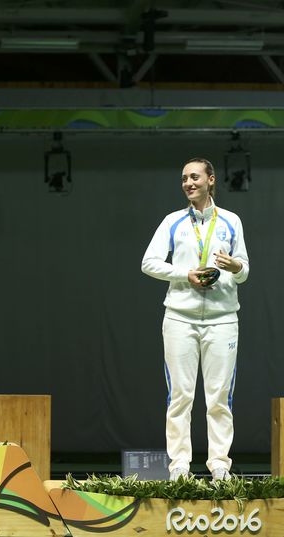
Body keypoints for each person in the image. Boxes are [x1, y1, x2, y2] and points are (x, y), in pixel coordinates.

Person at [141, 158, 249, 482]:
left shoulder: (231, 221)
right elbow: (149, 262)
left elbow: (245, 270)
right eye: (184, 178)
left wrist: (235, 267)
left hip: (222, 320)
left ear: (211, 180)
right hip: (180, 319)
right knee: (180, 396)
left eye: (195, 177)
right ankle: (179, 468)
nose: (188, 183)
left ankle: (219, 465)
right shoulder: (173, 222)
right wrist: (184, 274)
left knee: (219, 397)